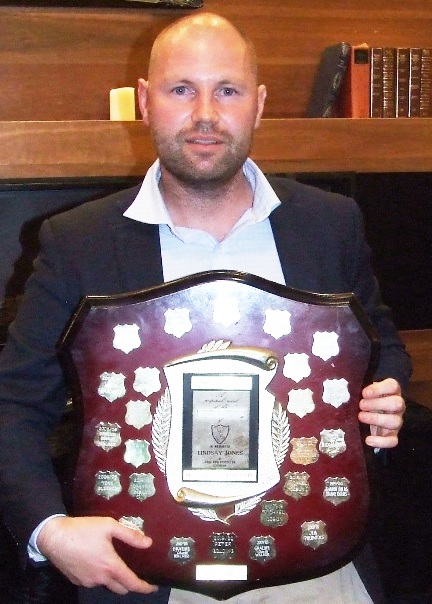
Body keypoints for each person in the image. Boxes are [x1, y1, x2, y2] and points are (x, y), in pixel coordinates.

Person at [0, 11, 411, 604]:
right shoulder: (78, 242)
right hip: (146, 569)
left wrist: (386, 395)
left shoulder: (330, 223)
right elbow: (12, 404)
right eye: (181, 89)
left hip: (312, 559)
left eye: (228, 90)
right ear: (145, 101)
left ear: (259, 104)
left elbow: (380, 352)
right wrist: (49, 529)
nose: (205, 115)